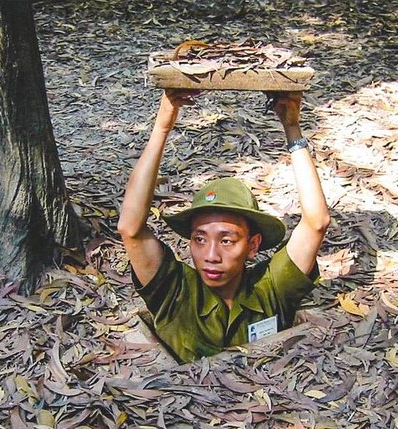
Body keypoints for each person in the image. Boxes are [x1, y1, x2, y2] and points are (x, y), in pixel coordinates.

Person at [118, 89, 330, 363]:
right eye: (200, 239)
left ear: (253, 245)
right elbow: (130, 228)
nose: (210, 256)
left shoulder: (271, 288)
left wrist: (292, 129)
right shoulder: (175, 291)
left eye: (227, 240)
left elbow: (316, 222)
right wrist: (161, 128)